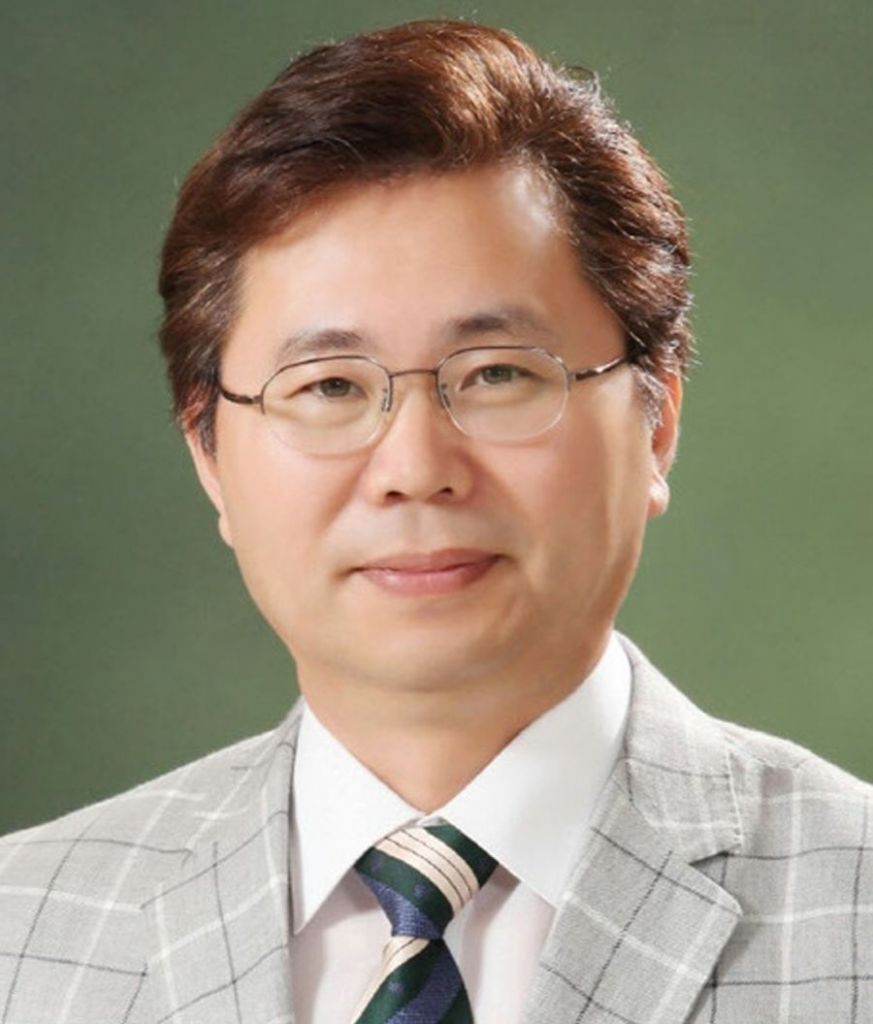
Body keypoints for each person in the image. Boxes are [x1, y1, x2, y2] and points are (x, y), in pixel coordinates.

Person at [1, 18, 870, 1024]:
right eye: (329, 386)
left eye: (497, 374)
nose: (414, 470)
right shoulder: (24, 935)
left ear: (657, 422)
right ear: (209, 452)